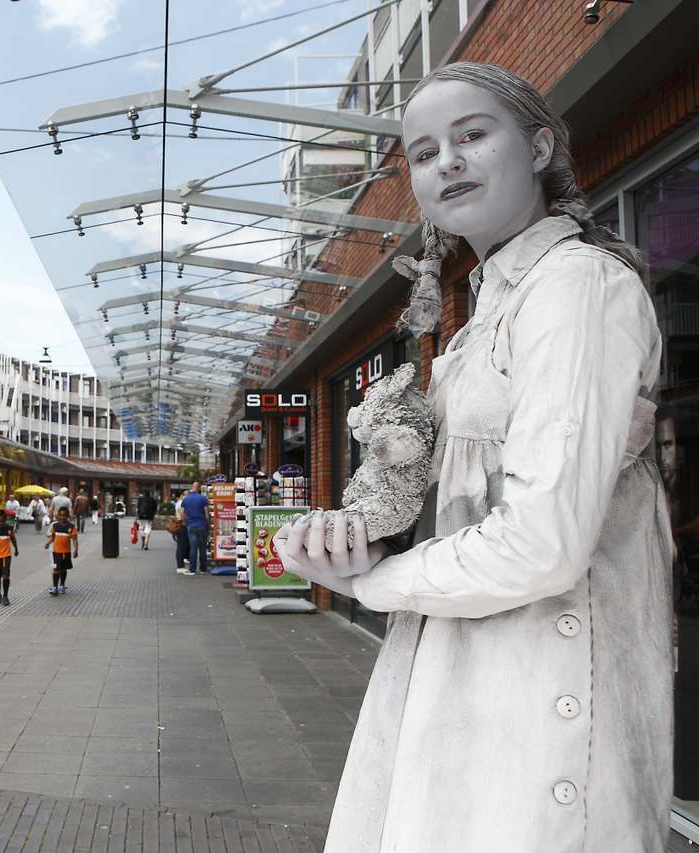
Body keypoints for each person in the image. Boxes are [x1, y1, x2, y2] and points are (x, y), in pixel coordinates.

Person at [273, 63, 672, 851]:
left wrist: (372, 582)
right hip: (456, 697)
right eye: (423, 152)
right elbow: (465, 514)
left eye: (472, 135)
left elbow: (543, 540)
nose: (446, 162)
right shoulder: (471, 330)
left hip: (545, 718)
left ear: (538, 146)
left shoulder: (577, 288)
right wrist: (360, 536)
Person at [44, 506, 77, 595]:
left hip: (66, 552)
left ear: (67, 516)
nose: (62, 517)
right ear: (58, 516)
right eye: (60, 515)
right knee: (56, 569)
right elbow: (53, 537)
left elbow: (74, 539)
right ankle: (55, 587)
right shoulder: (55, 526)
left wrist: (76, 550)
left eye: (64, 515)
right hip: (56, 552)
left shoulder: (71, 526)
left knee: (64, 569)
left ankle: (62, 585)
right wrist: (48, 543)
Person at [180, 482, 209, 576]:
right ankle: (203, 569)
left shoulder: (186, 499)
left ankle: (192, 569)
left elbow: (183, 513)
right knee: (202, 548)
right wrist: (207, 523)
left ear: (192, 488)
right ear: (199, 488)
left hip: (191, 525)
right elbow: (206, 514)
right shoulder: (203, 498)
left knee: (193, 548)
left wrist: (185, 522)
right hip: (201, 525)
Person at [171, 491, 190, 574]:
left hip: (179, 525)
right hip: (182, 525)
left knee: (182, 545)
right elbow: (182, 514)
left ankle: (183, 562)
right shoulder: (182, 503)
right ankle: (180, 566)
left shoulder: (178, 503)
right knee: (181, 546)